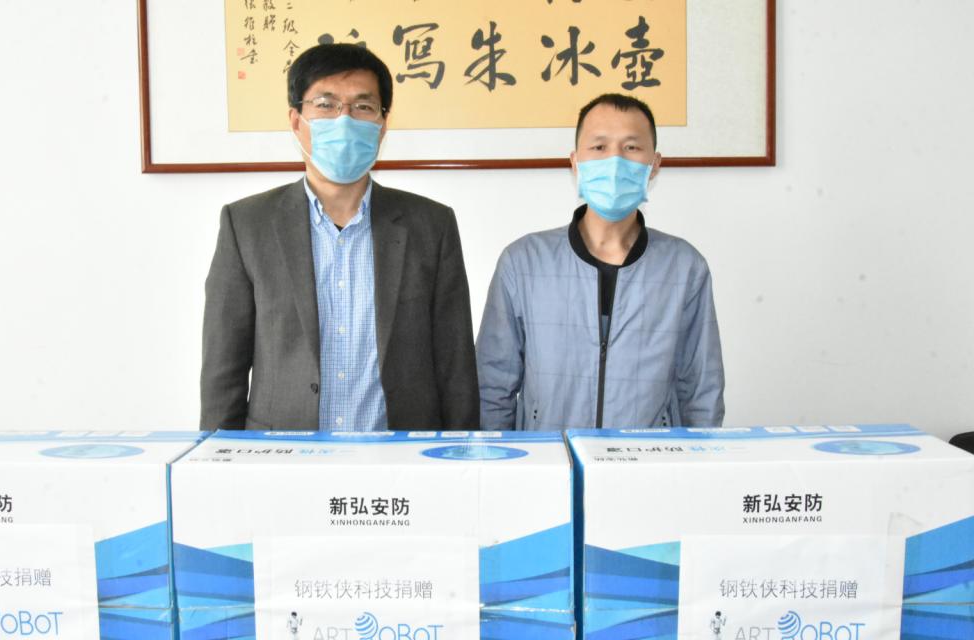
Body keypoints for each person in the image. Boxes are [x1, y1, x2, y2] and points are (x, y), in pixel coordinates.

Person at [201, 44, 478, 431]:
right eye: (326, 105)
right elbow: (223, 370)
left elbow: (455, 364)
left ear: (382, 125)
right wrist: (218, 456)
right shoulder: (247, 225)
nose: (344, 119)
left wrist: (460, 454)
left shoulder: (431, 225)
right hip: (284, 452)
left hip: (401, 453)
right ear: (297, 121)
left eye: (363, 106)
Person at [477, 93, 724, 430]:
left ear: (654, 164)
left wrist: (697, 458)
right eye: (599, 147)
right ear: (575, 161)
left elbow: (702, 390)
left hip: (648, 458)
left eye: (631, 147)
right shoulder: (523, 263)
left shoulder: (684, 268)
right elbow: (492, 386)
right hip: (549, 455)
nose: (615, 161)